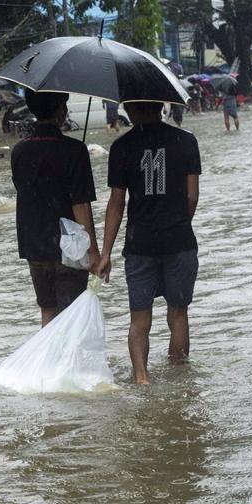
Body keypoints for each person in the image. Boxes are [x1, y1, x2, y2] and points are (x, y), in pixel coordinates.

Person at [96, 101, 201, 385]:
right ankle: (180, 381)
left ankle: (142, 379)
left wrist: (105, 253)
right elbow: (192, 196)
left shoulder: (121, 147)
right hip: (179, 241)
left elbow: (117, 203)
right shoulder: (186, 141)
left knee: (139, 319)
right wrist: (178, 222)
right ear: (161, 105)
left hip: (139, 244)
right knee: (178, 315)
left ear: (131, 108)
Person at [11, 90, 100, 327]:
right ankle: (70, 363)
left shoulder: (19, 151)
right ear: (60, 110)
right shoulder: (74, 150)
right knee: (72, 314)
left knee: (48, 311)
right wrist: (93, 251)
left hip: (34, 245)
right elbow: (80, 204)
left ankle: (48, 362)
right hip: (68, 247)